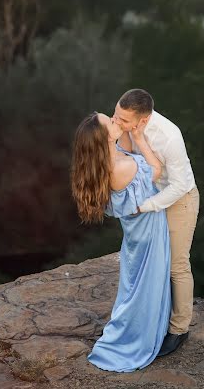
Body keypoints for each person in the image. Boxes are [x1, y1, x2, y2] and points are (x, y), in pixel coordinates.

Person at [71, 111, 171, 372]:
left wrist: (125, 127)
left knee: (135, 285)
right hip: (147, 233)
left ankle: (147, 329)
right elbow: (157, 169)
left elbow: (124, 140)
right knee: (145, 287)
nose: (116, 122)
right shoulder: (121, 167)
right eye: (111, 122)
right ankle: (135, 339)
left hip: (137, 234)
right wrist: (137, 133)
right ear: (104, 138)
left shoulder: (113, 155)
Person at [113, 89, 200, 357]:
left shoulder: (169, 137)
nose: (117, 122)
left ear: (142, 121)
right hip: (149, 197)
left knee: (176, 265)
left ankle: (179, 329)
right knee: (152, 264)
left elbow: (180, 185)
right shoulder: (125, 123)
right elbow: (124, 155)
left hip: (178, 201)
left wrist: (145, 206)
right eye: (116, 115)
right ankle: (152, 323)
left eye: (123, 121)